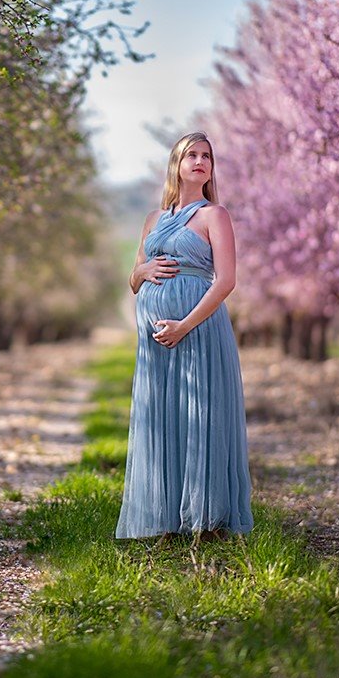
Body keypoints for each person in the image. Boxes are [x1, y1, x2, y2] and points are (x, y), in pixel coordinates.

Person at [115, 132, 255, 541]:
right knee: (161, 416)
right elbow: (134, 278)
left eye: (207, 156)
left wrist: (184, 325)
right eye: (191, 155)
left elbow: (226, 281)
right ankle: (164, 519)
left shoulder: (216, 215)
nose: (200, 161)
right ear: (176, 164)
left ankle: (206, 521)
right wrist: (141, 273)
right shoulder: (153, 220)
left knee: (200, 415)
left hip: (198, 332)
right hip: (156, 341)